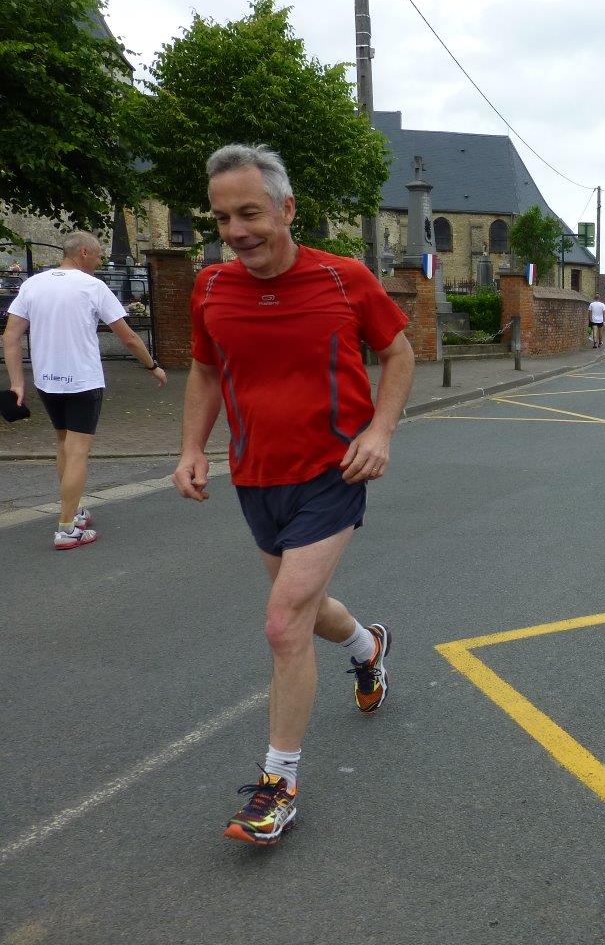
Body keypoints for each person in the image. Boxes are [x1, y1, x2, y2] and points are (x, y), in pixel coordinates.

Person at [172, 144, 415, 846]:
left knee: (282, 624)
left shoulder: (343, 279)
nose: (236, 230)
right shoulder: (212, 287)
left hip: (331, 474)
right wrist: (192, 448)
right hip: (256, 477)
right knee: (306, 614)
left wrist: (381, 431)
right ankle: (368, 647)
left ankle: (277, 786)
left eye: (249, 212)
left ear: (286, 208)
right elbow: (206, 372)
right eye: (223, 217)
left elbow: (397, 352)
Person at [1, 232, 166, 550]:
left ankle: (73, 510)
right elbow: (129, 337)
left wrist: (16, 383)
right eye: (100, 255)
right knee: (77, 451)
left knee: (63, 443)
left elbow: (10, 337)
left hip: (47, 381)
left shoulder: (34, 284)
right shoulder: (93, 287)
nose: (102, 260)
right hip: (82, 381)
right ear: (84, 253)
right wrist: (152, 366)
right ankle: (66, 528)